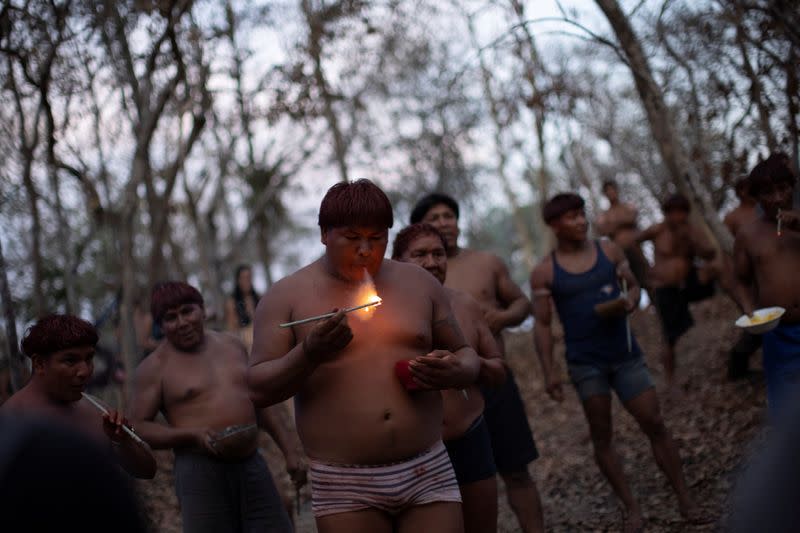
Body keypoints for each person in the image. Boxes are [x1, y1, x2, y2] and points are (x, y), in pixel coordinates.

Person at [248, 179, 481, 533]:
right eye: (352, 238)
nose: (365, 250)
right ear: (325, 233)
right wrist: (309, 353)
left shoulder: (419, 284)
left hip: (426, 465)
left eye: (376, 238)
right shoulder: (286, 298)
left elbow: (466, 354)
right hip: (343, 482)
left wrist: (456, 371)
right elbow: (258, 389)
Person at [531, 193, 707, 532]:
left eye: (582, 214)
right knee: (602, 435)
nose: (581, 221)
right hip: (585, 363)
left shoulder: (608, 250)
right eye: (571, 217)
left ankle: (686, 500)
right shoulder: (545, 272)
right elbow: (541, 324)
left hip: (624, 352)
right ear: (554, 225)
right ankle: (631, 509)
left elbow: (633, 284)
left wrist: (630, 298)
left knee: (653, 422)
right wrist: (549, 372)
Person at [411, 192, 544, 533]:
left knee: (516, 469)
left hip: (494, 381)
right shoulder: (417, 274)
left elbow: (522, 304)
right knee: (460, 484)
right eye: (435, 218)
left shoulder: (487, 263)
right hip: (446, 398)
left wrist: (500, 318)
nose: (444, 223)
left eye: (448, 216)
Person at [129, 281, 300, 533]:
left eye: (187, 311)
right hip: (199, 470)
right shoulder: (154, 368)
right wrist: (191, 435)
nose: (182, 322)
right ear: (161, 325)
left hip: (251, 461)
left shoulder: (232, 346)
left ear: (202, 310)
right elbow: (138, 427)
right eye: (170, 318)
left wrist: (290, 452)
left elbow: (260, 404)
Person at [392, 222, 508, 533]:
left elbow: (498, 370)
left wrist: (465, 367)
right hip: (412, 451)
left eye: (438, 253)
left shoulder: (465, 305)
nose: (431, 262)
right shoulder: (380, 313)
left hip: (469, 437)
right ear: (397, 261)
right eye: (419, 254)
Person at [1, 314, 156, 479]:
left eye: (89, 358)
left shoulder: (95, 409)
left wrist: (123, 440)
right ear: (39, 364)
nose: (85, 371)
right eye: (70, 360)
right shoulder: (11, 420)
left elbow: (148, 470)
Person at [731, 153, 800, 417]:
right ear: (757, 197)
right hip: (778, 335)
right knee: (788, 413)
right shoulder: (748, 235)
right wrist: (750, 312)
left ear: (792, 186)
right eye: (768, 192)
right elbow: (740, 280)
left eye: (783, 188)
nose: (777, 198)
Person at [0, 415, 148, 533]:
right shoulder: (15, 420)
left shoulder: (97, 412)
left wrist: (123, 441)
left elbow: (147, 469)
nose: (83, 374)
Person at [636, 193, 718, 387]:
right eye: (673, 212)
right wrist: (647, 269)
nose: (677, 216)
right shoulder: (658, 230)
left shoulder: (691, 231)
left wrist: (692, 239)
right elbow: (634, 242)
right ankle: (670, 379)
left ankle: (695, 368)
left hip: (687, 284)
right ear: (666, 213)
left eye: (681, 212)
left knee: (716, 271)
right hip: (664, 287)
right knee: (669, 335)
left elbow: (710, 253)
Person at [724, 177, 762, 380]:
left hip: (768, 273)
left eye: (748, 188)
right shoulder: (732, 218)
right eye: (741, 189)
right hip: (747, 278)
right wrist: (732, 280)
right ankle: (737, 364)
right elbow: (726, 252)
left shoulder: (764, 209)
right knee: (756, 320)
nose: (745, 193)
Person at [595, 180, 650, 289]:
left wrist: (614, 224)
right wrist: (622, 222)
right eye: (608, 191)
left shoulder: (627, 206)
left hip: (636, 249)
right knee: (628, 283)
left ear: (617, 190)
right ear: (605, 194)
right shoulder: (605, 214)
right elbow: (602, 229)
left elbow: (632, 218)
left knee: (648, 280)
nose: (611, 193)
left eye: (612, 190)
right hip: (620, 254)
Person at [226, 264, 260, 352]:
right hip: (246, 345)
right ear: (238, 280)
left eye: (249, 277)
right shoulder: (232, 303)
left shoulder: (258, 298)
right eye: (243, 278)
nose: (246, 281)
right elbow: (232, 329)